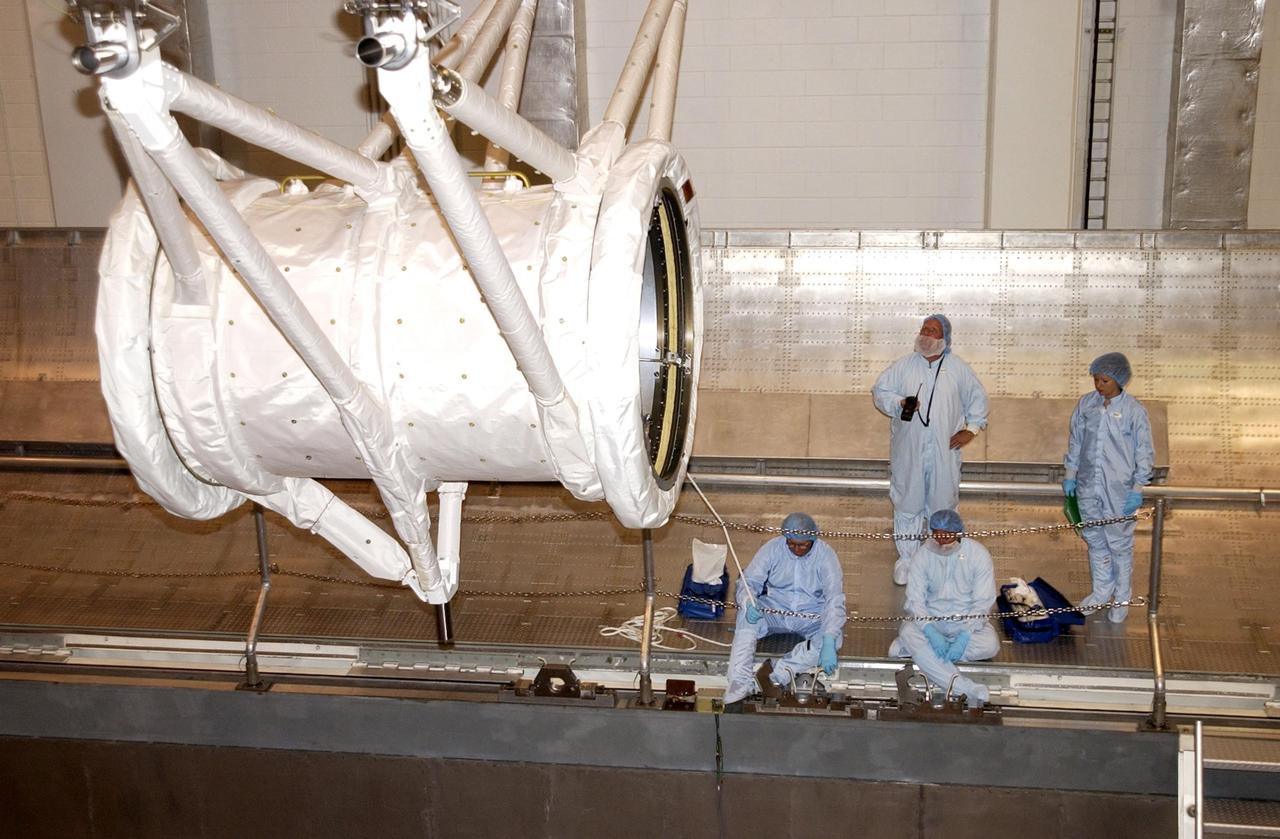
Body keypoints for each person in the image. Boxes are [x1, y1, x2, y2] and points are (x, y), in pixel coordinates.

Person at [872, 315, 989, 575]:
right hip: (909, 452)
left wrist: (971, 430)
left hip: (944, 453)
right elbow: (880, 392)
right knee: (907, 503)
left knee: (943, 502)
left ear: (944, 338)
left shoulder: (958, 368)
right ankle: (907, 561)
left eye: (932, 331)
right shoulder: (903, 366)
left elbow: (978, 401)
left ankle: (941, 561)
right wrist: (899, 402)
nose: (925, 334)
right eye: (923, 329)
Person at [1062, 352, 1154, 623]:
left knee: (1119, 544)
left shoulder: (1133, 411)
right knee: (1095, 540)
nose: (1098, 385)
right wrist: (1071, 475)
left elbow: (1144, 451)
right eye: (1096, 379)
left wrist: (1137, 487)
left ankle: (1122, 597)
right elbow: (1076, 441)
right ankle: (1101, 592)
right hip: (1088, 486)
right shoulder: (1087, 405)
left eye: (1104, 380)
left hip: (1119, 490)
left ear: (1119, 379)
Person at [723, 512, 847, 706]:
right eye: (791, 543)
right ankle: (739, 682)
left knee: (834, 638)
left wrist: (829, 638)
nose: (795, 548)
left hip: (811, 614)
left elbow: (834, 598)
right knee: (745, 617)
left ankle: (775, 674)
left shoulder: (826, 556)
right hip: (775, 610)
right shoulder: (773, 548)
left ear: (813, 538)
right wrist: (748, 602)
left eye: (802, 544)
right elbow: (749, 581)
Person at [888, 509, 997, 707]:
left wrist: (964, 635)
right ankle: (965, 688)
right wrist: (929, 629)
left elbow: (983, 602)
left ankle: (920, 653)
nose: (941, 540)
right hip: (931, 622)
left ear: (958, 532)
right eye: (937, 534)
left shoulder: (978, 554)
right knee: (909, 631)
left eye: (946, 535)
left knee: (990, 646)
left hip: (965, 623)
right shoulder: (922, 555)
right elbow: (915, 601)